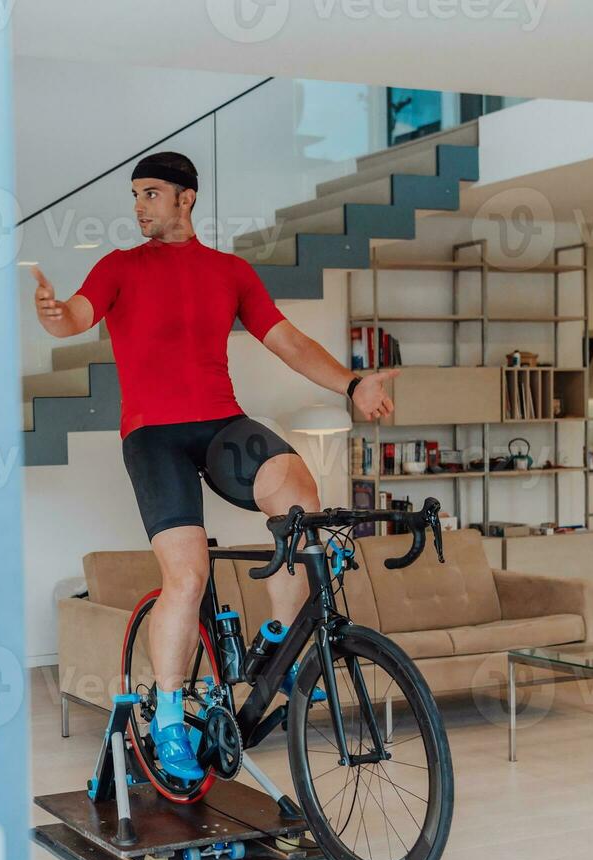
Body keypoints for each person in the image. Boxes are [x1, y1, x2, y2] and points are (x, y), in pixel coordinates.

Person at [31, 151, 396, 780]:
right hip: (154, 438)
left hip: (220, 424)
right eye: (136, 194)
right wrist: (55, 314)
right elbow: (78, 316)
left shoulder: (229, 271)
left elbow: (289, 343)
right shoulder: (119, 266)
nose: (140, 205)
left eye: (151, 193)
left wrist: (353, 382)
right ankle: (169, 718)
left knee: (300, 498)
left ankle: (278, 641)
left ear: (186, 197)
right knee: (187, 576)